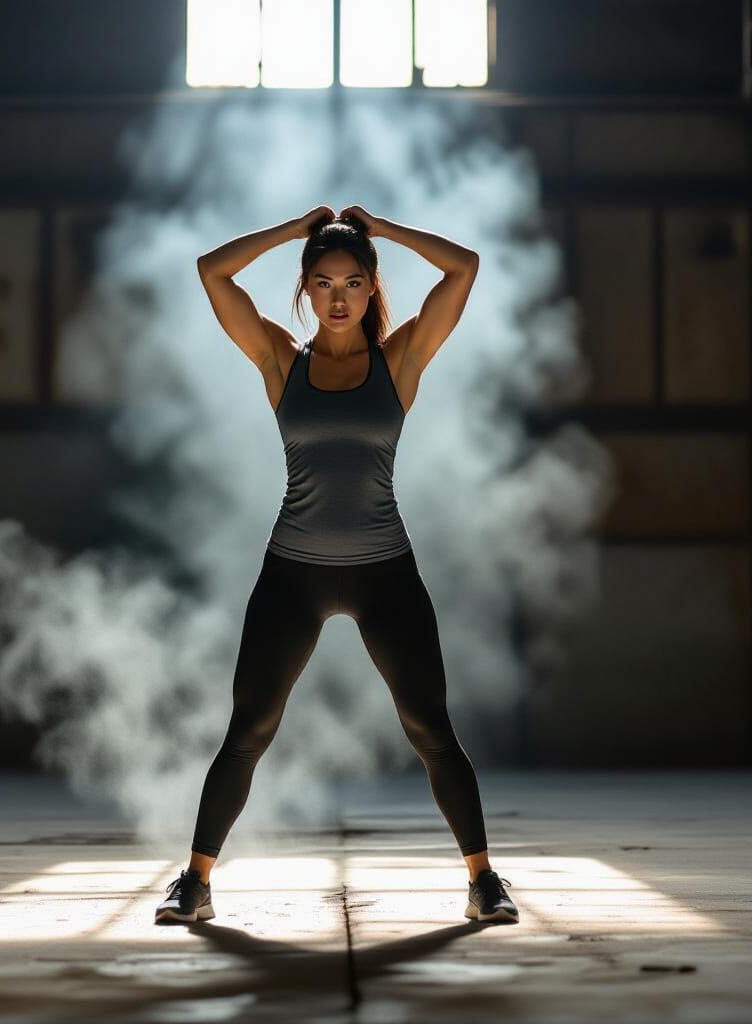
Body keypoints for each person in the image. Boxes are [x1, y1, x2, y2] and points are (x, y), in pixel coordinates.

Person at [155, 206, 518, 926]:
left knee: (429, 728)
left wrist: (385, 229)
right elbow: (211, 271)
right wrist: (293, 230)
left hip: (385, 572)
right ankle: (193, 882)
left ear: (373, 286)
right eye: (323, 284)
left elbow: (464, 267)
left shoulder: (401, 360)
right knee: (250, 729)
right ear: (306, 291)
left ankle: (484, 881)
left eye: (354, 282)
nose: (340, 297)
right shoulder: (281, 361)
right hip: (294, 572)